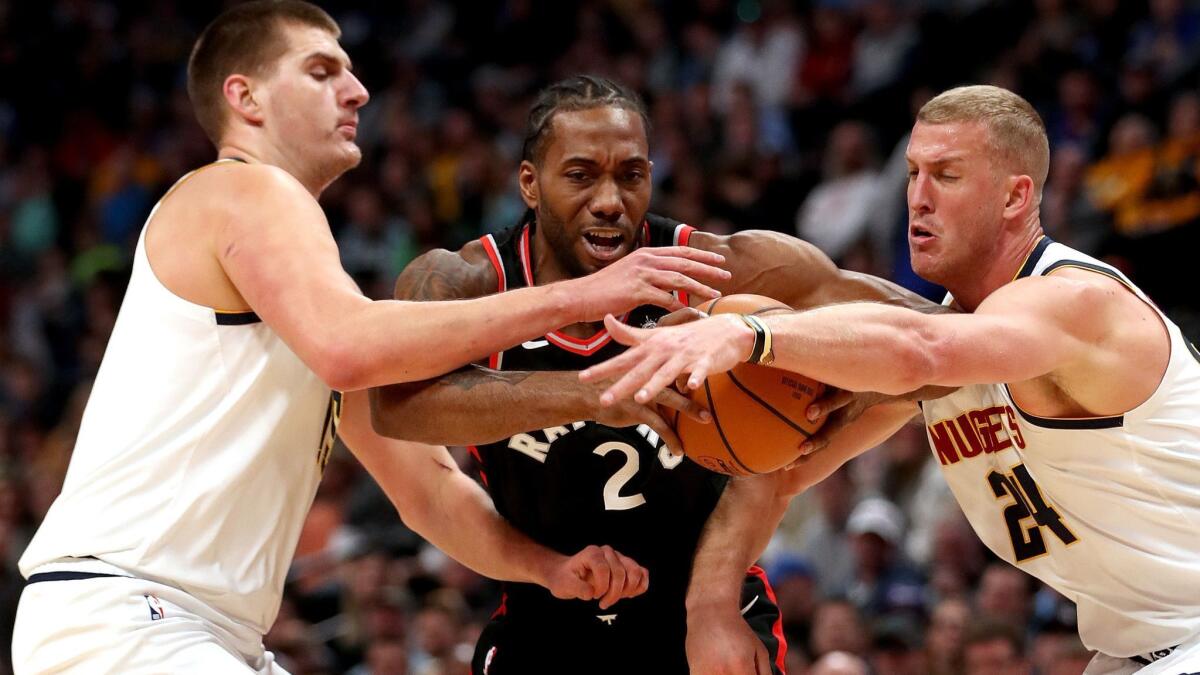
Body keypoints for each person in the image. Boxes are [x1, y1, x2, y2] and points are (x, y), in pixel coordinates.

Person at [10, 4, 732, 673]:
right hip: (128, 614)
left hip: (196, 628)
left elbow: (427, 489)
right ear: (245, 98)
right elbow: (349, 345)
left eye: (351, 72)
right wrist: (579, 295)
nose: (356, 91)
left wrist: (544, 565)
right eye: (322, 71)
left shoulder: (310, 296)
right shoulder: (240, 190)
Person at [584, 84, 1200, 674]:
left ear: (1015, 197)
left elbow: (922, 349)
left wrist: (751, 337)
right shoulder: (948, 340)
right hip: (1139, 647)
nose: (918, 197)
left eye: (947, 176)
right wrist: (708, 606)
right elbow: (784, 472)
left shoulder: (1076, 304)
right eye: (912, 173)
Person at [370, 75, 937, 675]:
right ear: (530, 184)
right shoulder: (464, 284)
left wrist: (855, 395)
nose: (611, 200)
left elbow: (938, 337)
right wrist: (591, 396)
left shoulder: (724, 272)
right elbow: (398, 407)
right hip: (546, 611)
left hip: (704, 611)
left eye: (631, 174)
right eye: (582, 175)